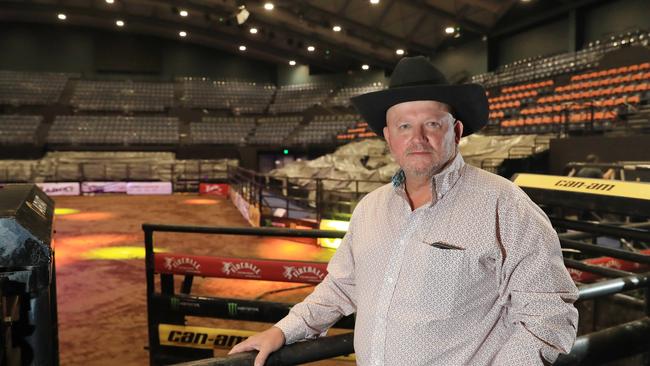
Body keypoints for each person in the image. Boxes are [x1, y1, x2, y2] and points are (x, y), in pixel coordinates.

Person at [229, 56, 579, 366]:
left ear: (455, 131)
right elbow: (341, 287)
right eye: (404, 126)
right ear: (388, 137)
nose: (418, 138)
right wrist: (282, 331)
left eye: (432, 123)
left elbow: (548, 318)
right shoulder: (370, 208)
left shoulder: (505, 205)